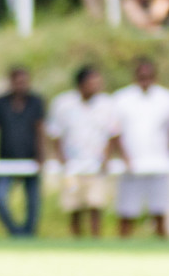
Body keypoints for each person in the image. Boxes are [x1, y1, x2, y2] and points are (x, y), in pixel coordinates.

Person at [110, 58, 169, 238]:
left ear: (155, 77)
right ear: (135, 76)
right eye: (141, 76)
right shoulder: (121, 98)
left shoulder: (168, 98)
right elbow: (115, 131)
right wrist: (124, 156)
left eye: (148, 76)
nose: (145, 79)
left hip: (159, 161)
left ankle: (163, 250)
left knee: (160, 210)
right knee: (127, 211)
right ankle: (121, 251)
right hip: (131, 163)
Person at [46, 66, 116, 237]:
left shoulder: (106, 104)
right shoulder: (63, 104)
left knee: (96, 204)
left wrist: (106, 158)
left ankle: (95, 240)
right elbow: (55, 133)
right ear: (81, 84)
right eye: (92, 82)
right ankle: (77, 241)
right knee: (74, 206)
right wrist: (62, 160)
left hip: (96, 165)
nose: (96, 86)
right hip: (72, 165)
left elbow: (112, 134)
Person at [0, 67, 46, 237]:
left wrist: (41, 155)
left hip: (30, 159)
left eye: (24, 81)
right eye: (17, 81)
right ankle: (17, 232)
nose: (21, 85)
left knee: (33, 204)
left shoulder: (36, 102)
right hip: (6, 159)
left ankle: (28, 234)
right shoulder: (0, 103)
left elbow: (40, 128)